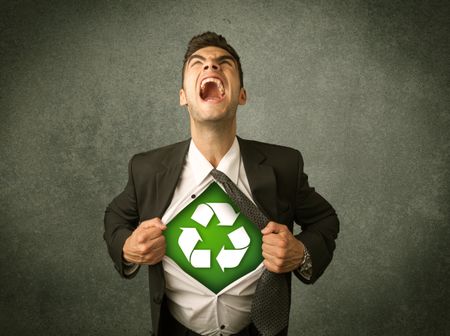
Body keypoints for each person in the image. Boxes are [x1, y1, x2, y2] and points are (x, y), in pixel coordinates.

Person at [104, 32, 339, 336]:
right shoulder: (147, 168)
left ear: (241, 94)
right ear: (183, 96)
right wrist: (127, 247)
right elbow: (115, 216)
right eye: (198, 63)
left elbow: (325, 219)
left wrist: (301, 252)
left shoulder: (284, 165)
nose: (211, 67)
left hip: (258, 330)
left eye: (223, 63)